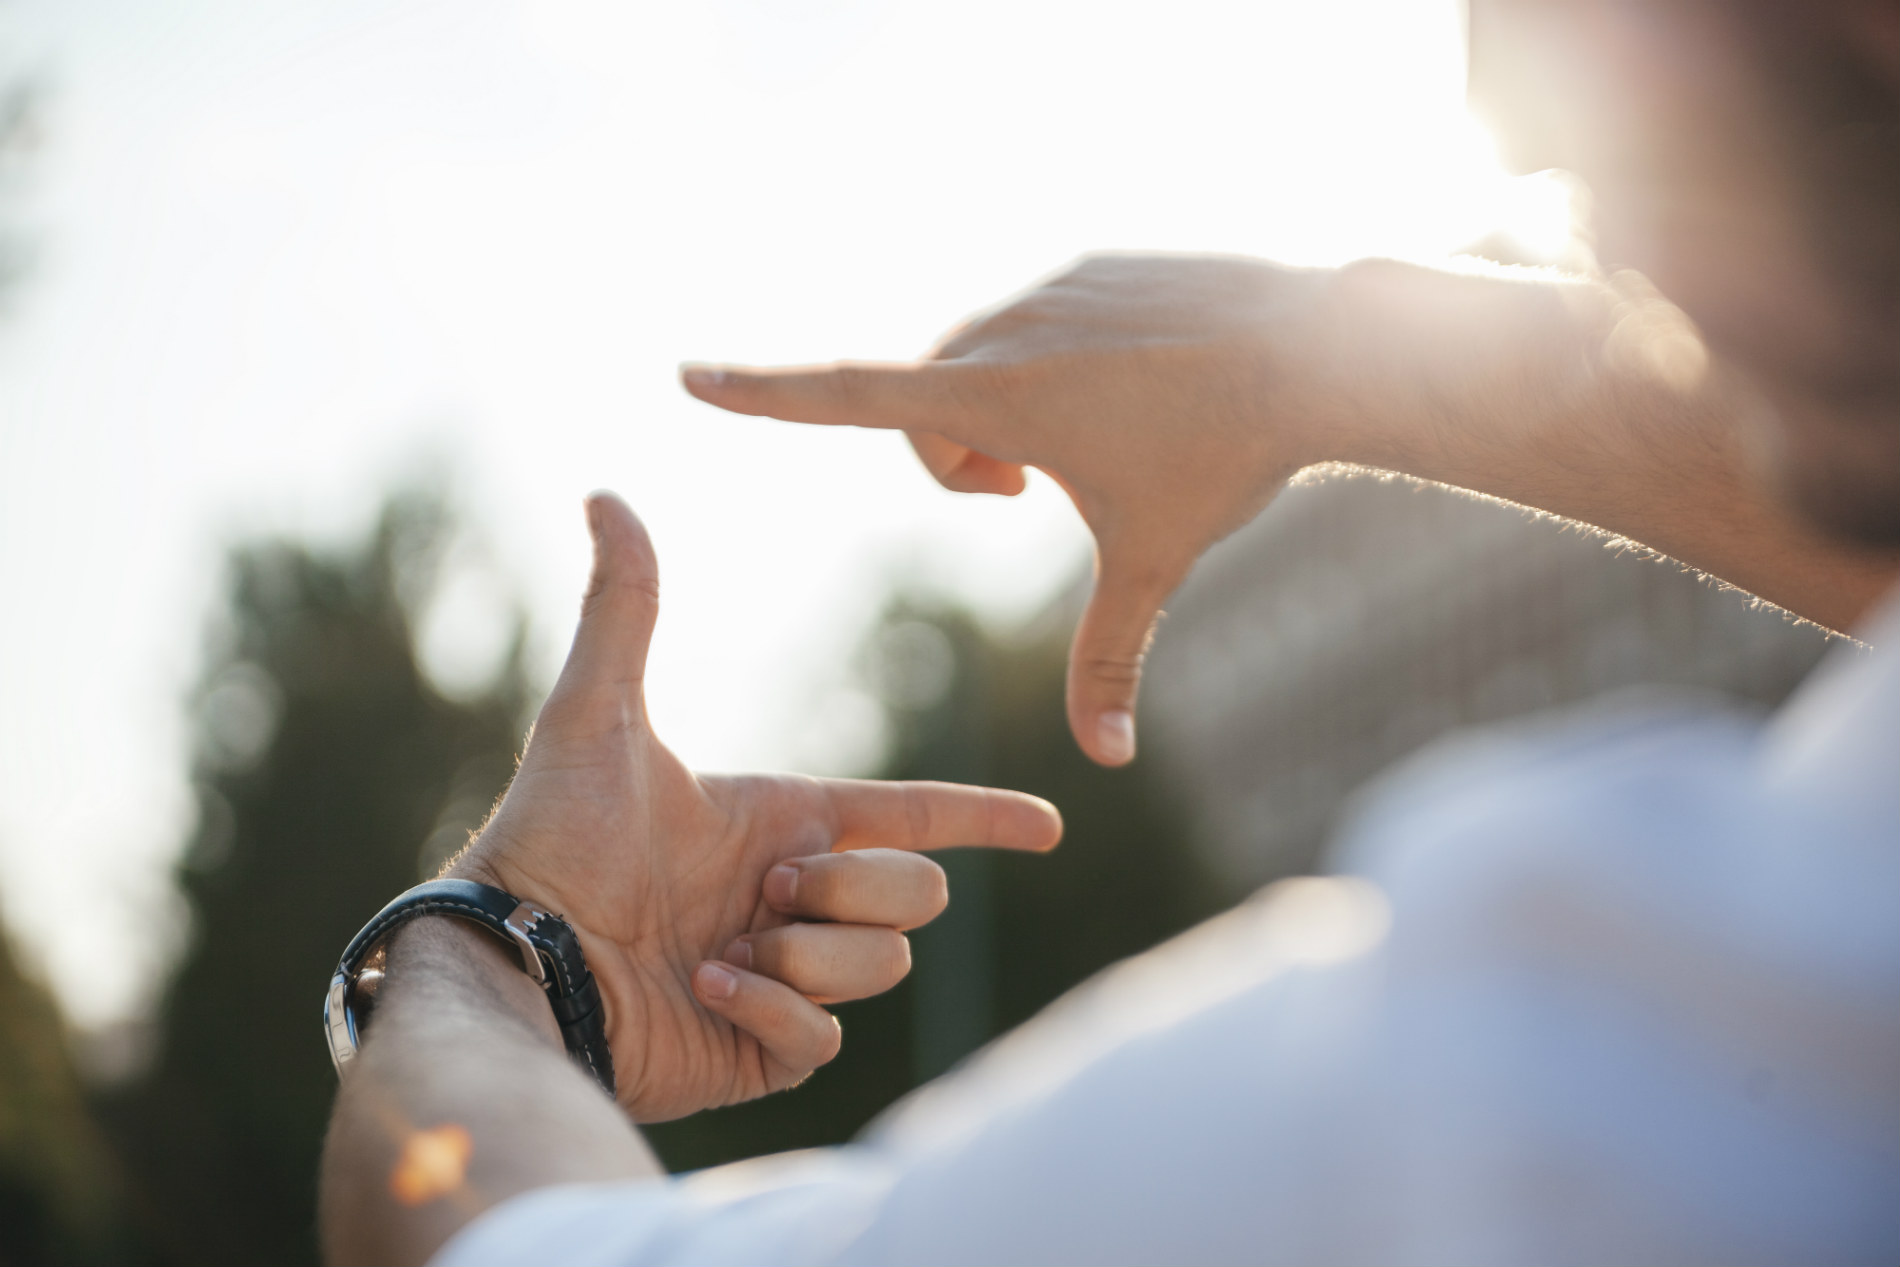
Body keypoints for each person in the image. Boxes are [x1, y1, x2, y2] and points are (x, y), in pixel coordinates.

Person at [320, 1, 1900, 1263]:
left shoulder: (1605, 1064)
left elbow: (504, 1241)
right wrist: (1319, 355)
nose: (1522, 98)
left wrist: (504, 949)